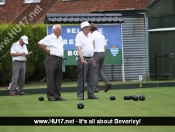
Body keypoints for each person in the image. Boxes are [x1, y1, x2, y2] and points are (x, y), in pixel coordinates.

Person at [38, 24, 66, 101]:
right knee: (51, 77)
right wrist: (47, 51)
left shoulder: (60, 38)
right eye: (59, 30)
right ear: (54, 30)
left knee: (58, 78)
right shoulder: (49, 37)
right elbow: (40, 43)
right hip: (52, 58)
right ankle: (50, 96)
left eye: (60, 30)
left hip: (59, 59)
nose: (60, 31)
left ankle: (57, 95)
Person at [75, 21, 99, 100]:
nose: (89, 28)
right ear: (83, 28)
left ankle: (90, 94)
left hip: (90, 58)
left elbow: (92, 44)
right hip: (83, 58)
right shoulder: (79, 36)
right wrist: (82, 59)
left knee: (91, 77)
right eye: (87, 27)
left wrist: (93, 58)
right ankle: (80, 95)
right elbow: (78, 48)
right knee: (82, 78)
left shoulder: (90, 35)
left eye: (89, 27)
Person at [90, 23, 112, 93]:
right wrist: (102, 52)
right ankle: (107, 82)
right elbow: (105, 46)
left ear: (91, 29)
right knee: (99, 71)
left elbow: (92, 45)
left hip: (96, 54)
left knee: (94, 71)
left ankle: (95, 88)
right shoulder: (101, 35)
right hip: (102, 53)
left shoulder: (92, 35)